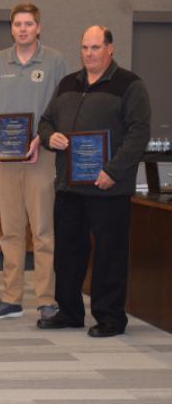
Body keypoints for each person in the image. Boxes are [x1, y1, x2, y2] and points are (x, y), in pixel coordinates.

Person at [37, 26, 150, 337]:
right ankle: (70, 312)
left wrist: (113, 170)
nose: (89, 53)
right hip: (70, 188)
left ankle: (110, 318)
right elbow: (45, 122)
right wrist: (51, 137)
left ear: (110, 49)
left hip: (108, 187)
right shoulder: (67, 83)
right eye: (85, 47)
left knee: (109, 255)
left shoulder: (130, 85)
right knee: (68, 253)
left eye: (96, 47)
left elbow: (139, 133)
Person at [0, 2, 67, 320]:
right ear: (11, 28)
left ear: (38, 27)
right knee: (10, 230)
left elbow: (60, 110)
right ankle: (11, 297)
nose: (23, 29)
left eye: (28, 24)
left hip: (40, 157)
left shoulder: (55, 61)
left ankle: (46, 299)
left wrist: (39, 138)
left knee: (42, 230)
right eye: (17, 24)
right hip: (1, 159)